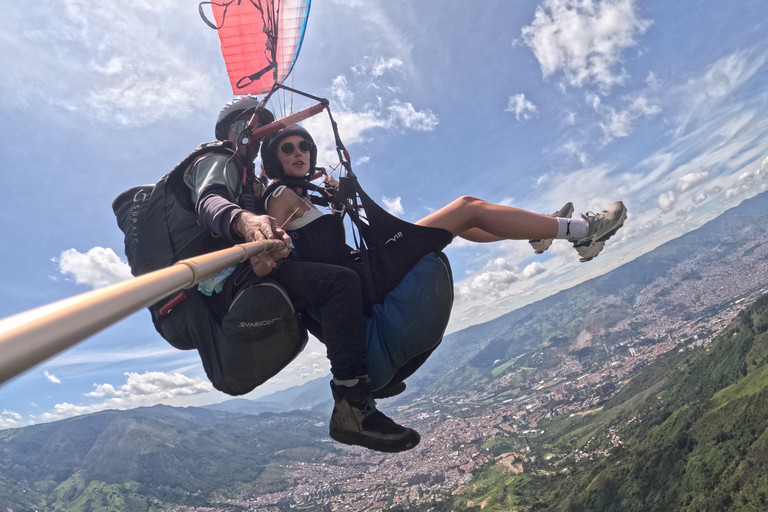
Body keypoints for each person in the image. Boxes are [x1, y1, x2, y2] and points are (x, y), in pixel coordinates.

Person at [169, 97, 420, 454]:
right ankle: (352, 404)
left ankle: (373, 369)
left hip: (250, 271)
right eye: (248, 125)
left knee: (338, 275)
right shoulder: (218, 159)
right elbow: (210, 201)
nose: (255, 133)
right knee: (338, 282)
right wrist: (246, 221)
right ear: (229, 130)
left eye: (262, 126)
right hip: (228, 282)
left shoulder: (248, 178)